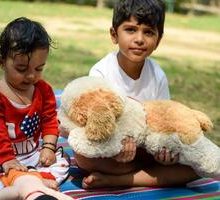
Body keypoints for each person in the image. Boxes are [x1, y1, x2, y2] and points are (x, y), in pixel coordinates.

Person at [78, 0, 199, 189]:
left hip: (147, 150)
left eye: (148, 32)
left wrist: (164, 152)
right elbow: (96, 123)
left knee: (196, 165)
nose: (139, 39)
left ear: (158, 41)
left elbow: (164, 121)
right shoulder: (101, 72)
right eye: (131, 30)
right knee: (83, 157)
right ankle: (147, 174)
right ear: (114, 34)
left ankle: (119, 180)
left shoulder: (158, 75)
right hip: (114, 151)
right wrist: (118, 146)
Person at [0, 17, 71, 200]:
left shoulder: (43, 90)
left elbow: (50, 121)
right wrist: (6, 160)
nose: (31, 76)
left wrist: (48, 148)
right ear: (1, 61)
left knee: (64, 161)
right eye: (21, 68)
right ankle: (30, 183)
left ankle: (22, 183)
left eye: (39, 69)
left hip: (31, 155)